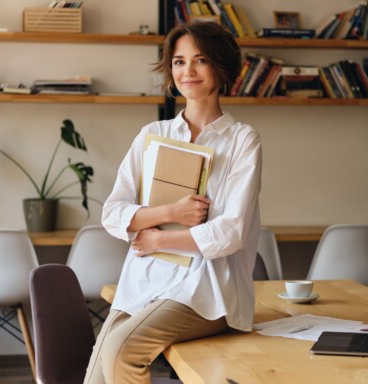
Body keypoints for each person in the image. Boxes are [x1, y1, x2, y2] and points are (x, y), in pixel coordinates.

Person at [84, 21, 262, 384]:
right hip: (145, 281)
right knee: (96, 378)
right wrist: (171, 213)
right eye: (179, 62)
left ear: (221, 67)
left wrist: (158, 238)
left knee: (120, 350)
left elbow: (232, 231)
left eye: (200, 60)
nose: (188, 71)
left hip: (208, 290)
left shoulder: (243, 140)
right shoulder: (153, 135)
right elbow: (112, 213)